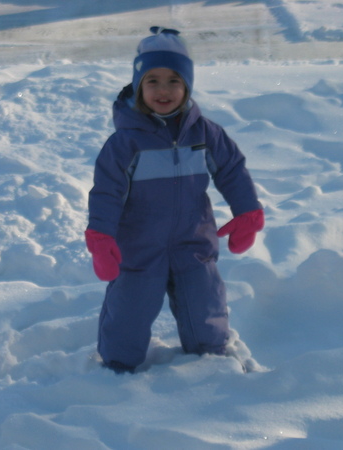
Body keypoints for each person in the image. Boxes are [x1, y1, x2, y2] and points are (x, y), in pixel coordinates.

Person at [85, 26, 264, 374]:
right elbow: (106, 192)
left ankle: (210, 357)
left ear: (187, 86)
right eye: (152, 80)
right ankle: (117, 365)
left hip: (193, 239)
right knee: (130, 306)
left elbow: (231, 169)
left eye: (173, 81)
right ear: (138, 85)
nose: (163, 90)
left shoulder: (205, 133)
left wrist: (247, 211)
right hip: (138, 245)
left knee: (204, 299)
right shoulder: (125, 143)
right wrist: (101, 236)